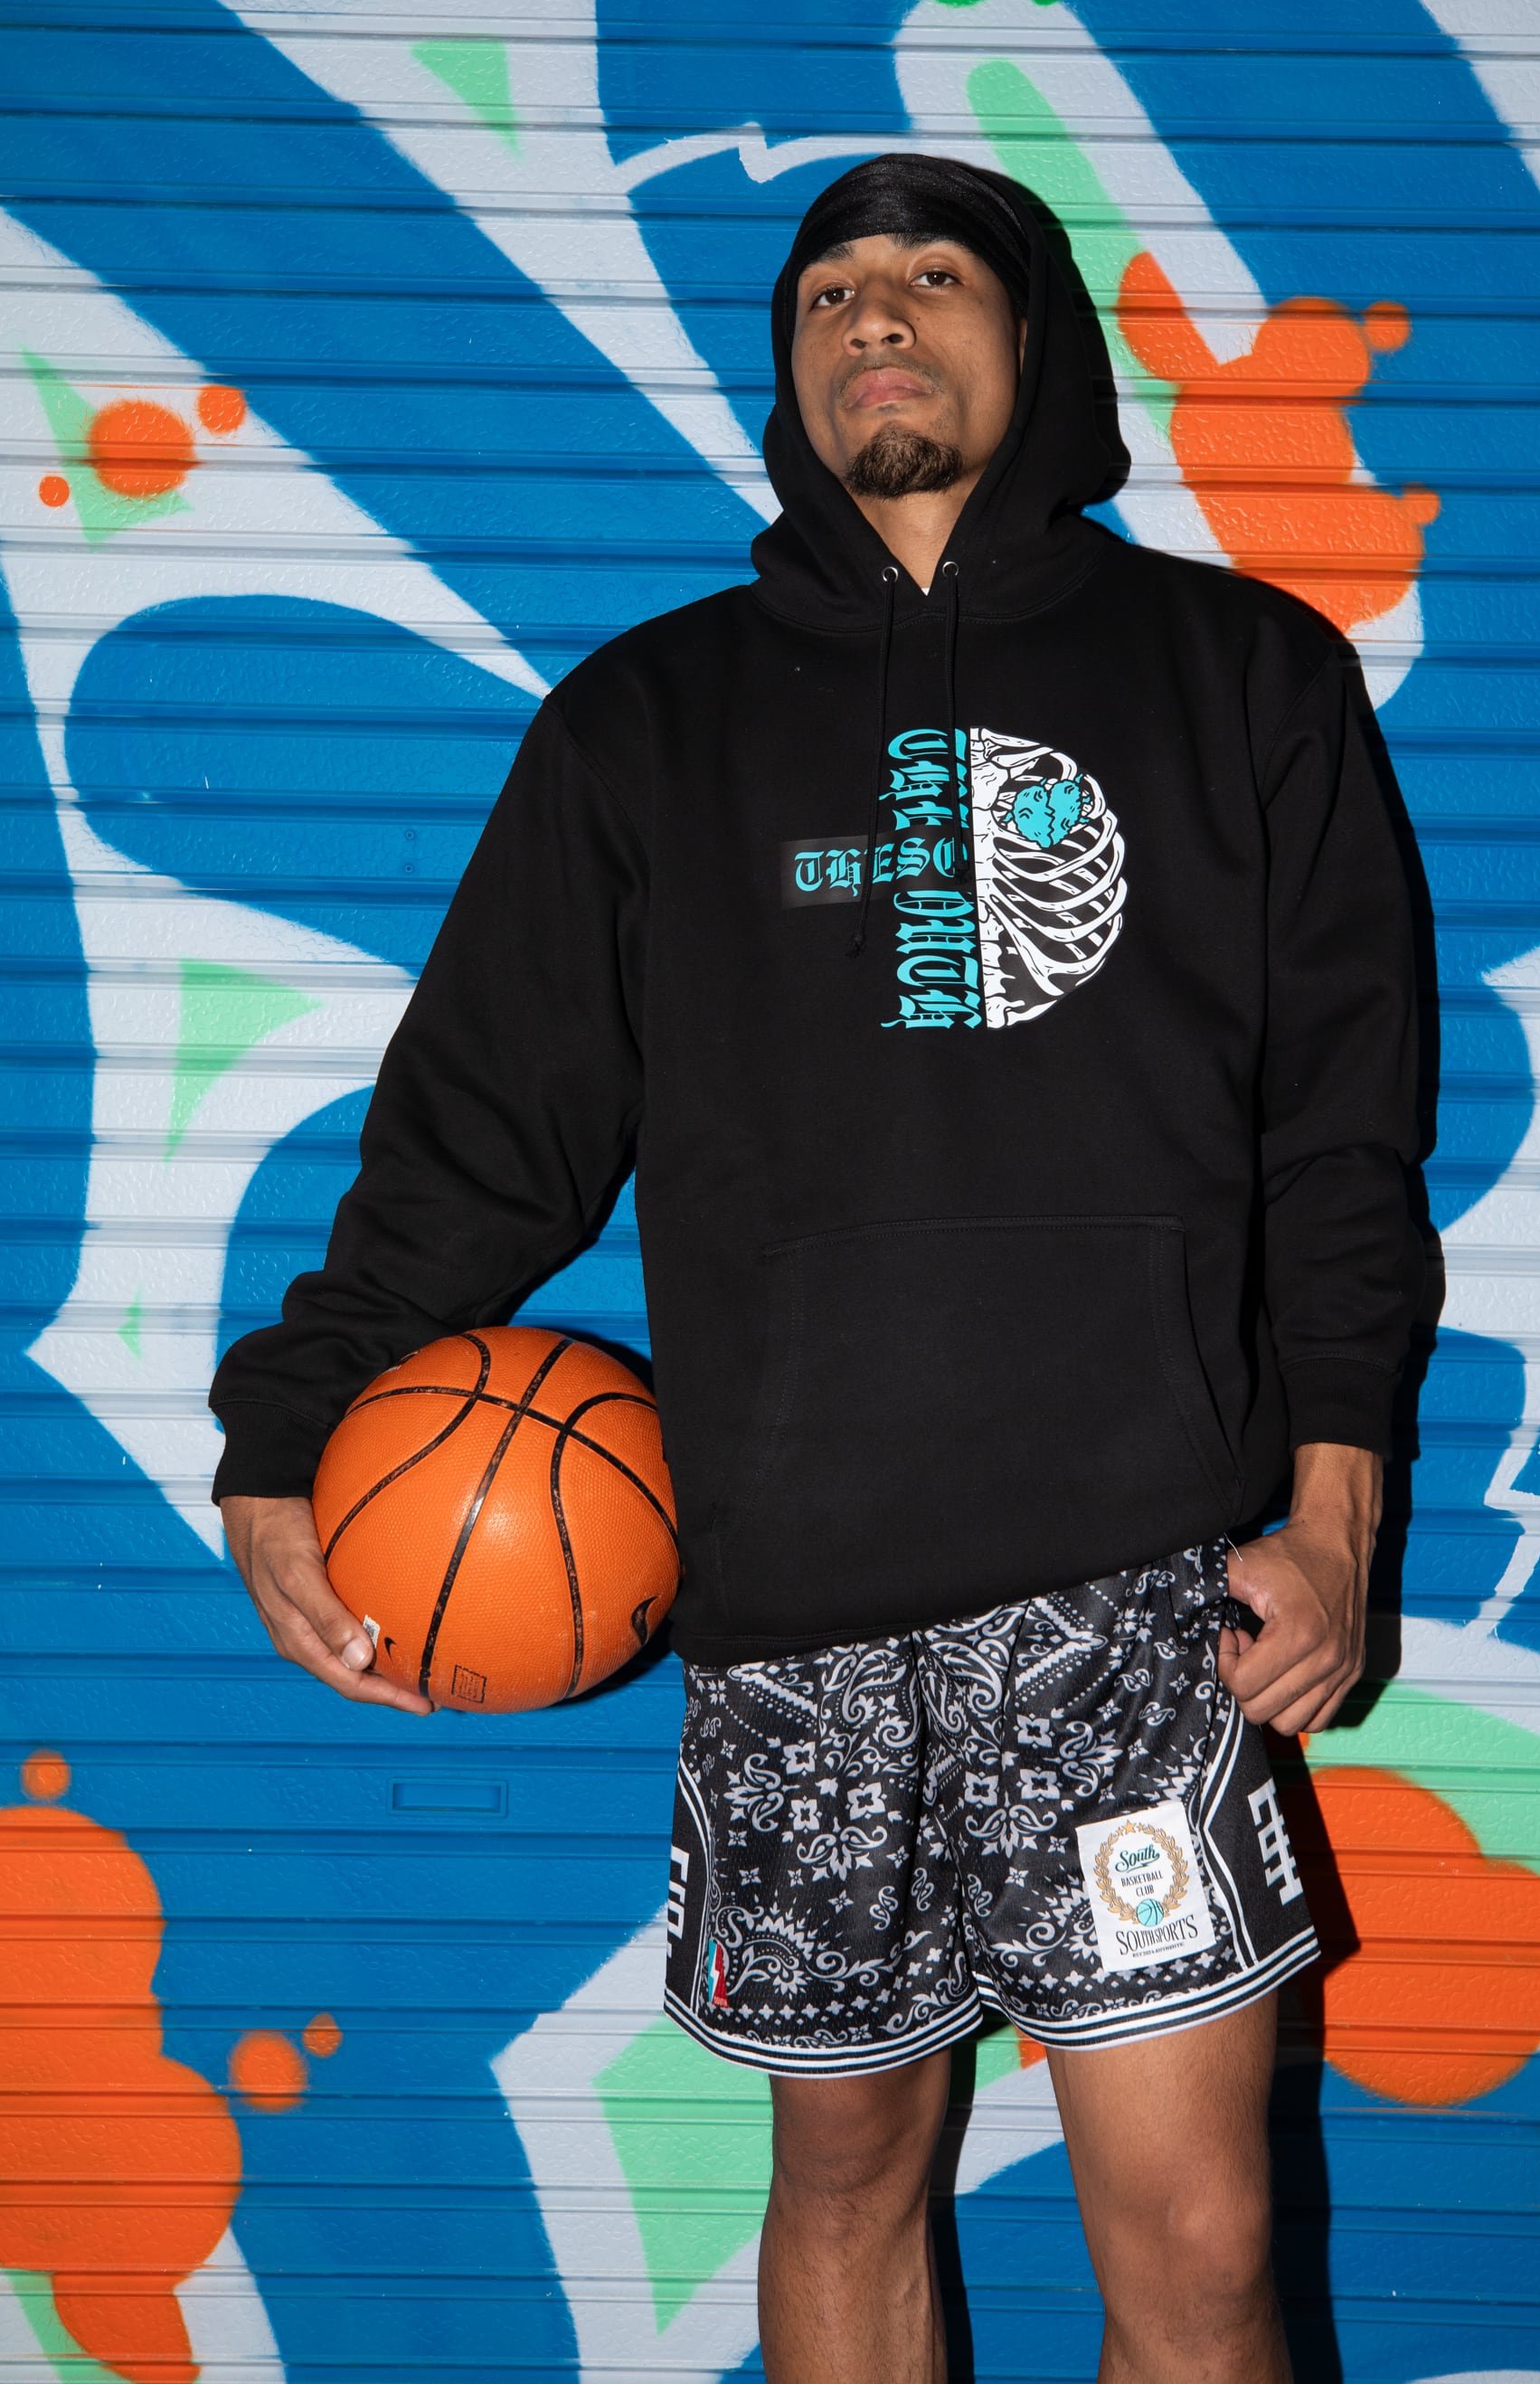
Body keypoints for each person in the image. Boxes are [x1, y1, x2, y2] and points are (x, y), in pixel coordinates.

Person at [213, 156, 1422, 2384]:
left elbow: (1342, 1144)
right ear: (786, 372)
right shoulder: (643, 722)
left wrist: (1336, 1516)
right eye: (829, 290)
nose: (877, 315)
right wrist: (288, 1428)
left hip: (1135, 1593)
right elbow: (481, 1141)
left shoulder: (1242, 675)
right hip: (793, 1611)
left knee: (1204, 2243)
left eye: (934, 276)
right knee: (849, 2183)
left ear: (1031, 341)